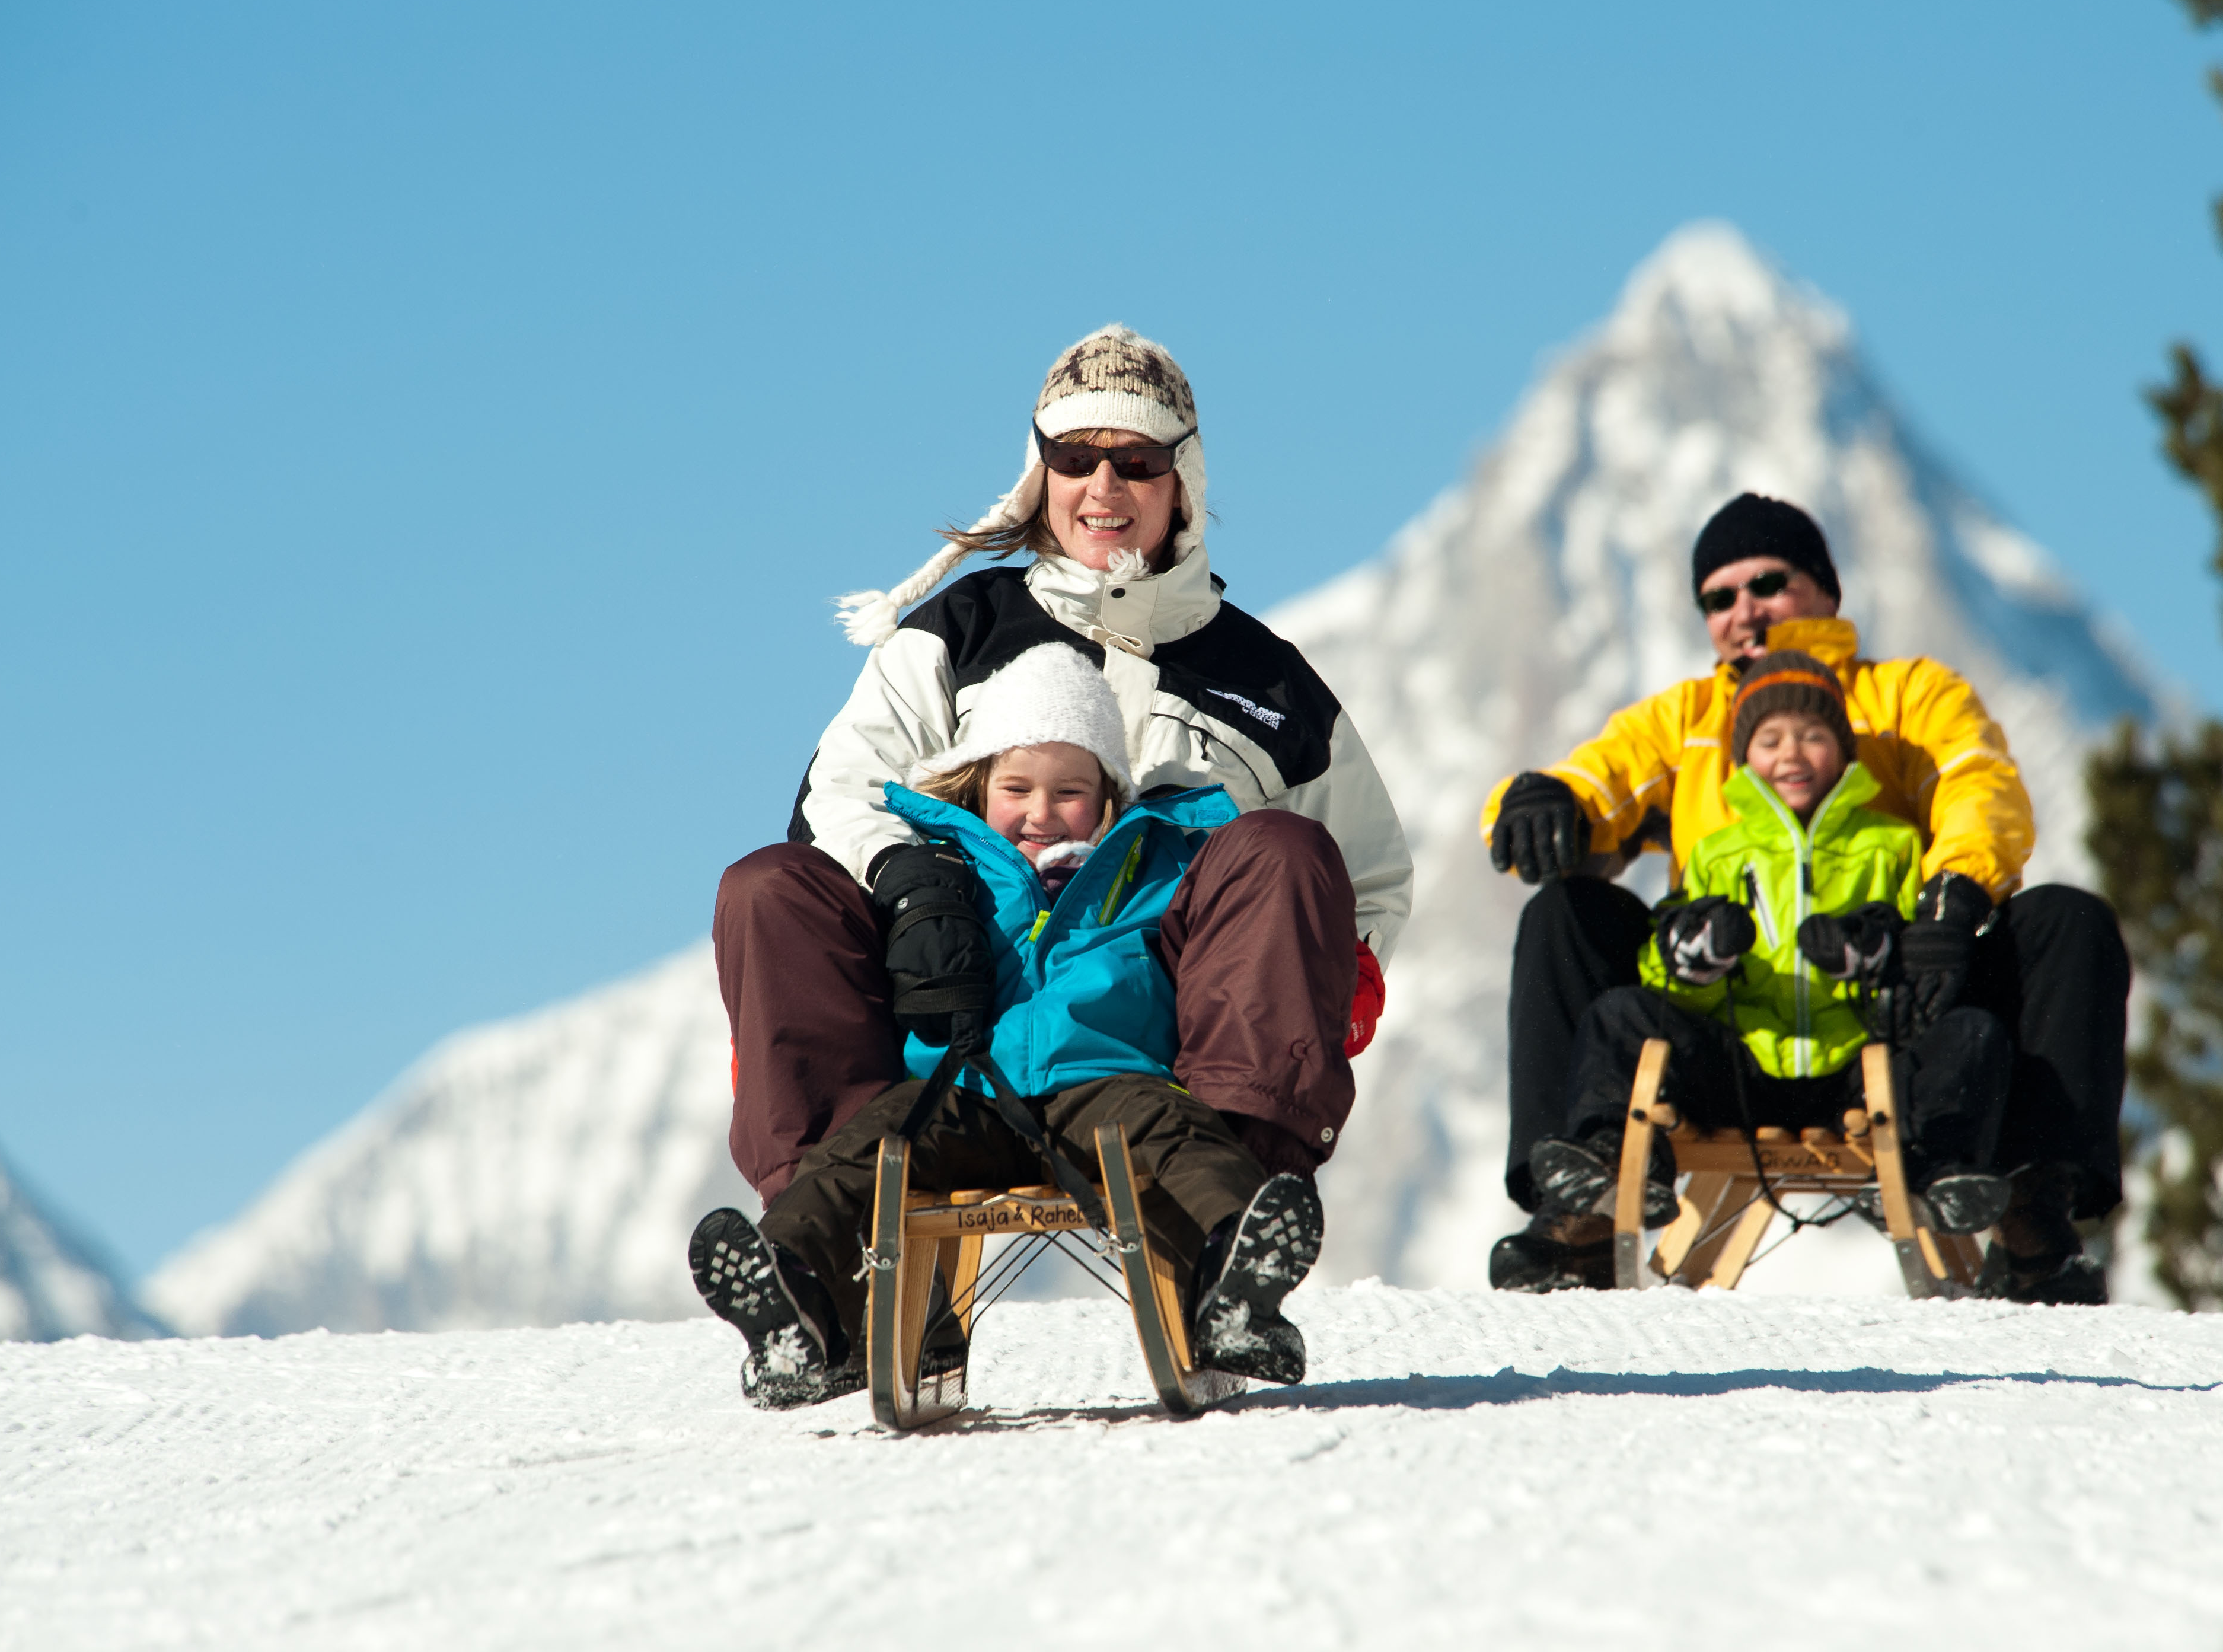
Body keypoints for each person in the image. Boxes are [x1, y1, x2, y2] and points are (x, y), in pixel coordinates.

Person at [709, 323, 1408, 1272]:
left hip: (1169, 1057)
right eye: (1077, 458)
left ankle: (1232, 1239)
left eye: (1138, 461)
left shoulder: (1268, 685)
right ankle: (824, 1274)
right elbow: (838, 791)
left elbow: (1362, 884)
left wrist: (1320, 994)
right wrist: (911, 882)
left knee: (1281, 849)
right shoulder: (959, 633)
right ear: (1041, 473)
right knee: (770, 884)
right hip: (943, 1030)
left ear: (1184, 481)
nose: (1105, 489)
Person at [1484, 492, 2128, 1305]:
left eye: (1767, 584)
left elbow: (1978, 785)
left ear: (1826, 588)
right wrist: (1543, 797)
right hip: (1727, 1033)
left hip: (1895, 1021)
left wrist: (1953, 901)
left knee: (2066, 922)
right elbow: (1601, 776)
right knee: (1565, 914)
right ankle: (1577, 1210)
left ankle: (2034, 1216)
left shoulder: (1905, 701)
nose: (1743, 611)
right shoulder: (1690, 721)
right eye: (1719, 599)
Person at [692, 645, 1322, 1407]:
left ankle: (1233, 1276)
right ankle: (796, 1294)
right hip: (960, 1094)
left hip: (1109, 1089)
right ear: (979, 786)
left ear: (1109, 797)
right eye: (1015, 787)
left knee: (1177, 1133)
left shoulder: (1152, 869)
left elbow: (1216, 950)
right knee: (866, 1148)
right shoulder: (941, 869)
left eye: (1070, 791)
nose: (1039, 812)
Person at [1520, 652, 2012, 1262]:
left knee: (1970, 1032)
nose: (1791, 754)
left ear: (1844, 753)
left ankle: (1938, 1165)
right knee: (1621, 1014)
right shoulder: (1718, 855)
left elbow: (1916, 970)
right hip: (1739, 1066)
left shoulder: (1891, 846)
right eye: (1769, 739)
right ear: (1741, 757)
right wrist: (1692, 958)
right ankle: (1609, 1155)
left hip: (1855, 1074)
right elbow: (1662, 977)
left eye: (1813, 737)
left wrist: (1874, 955)